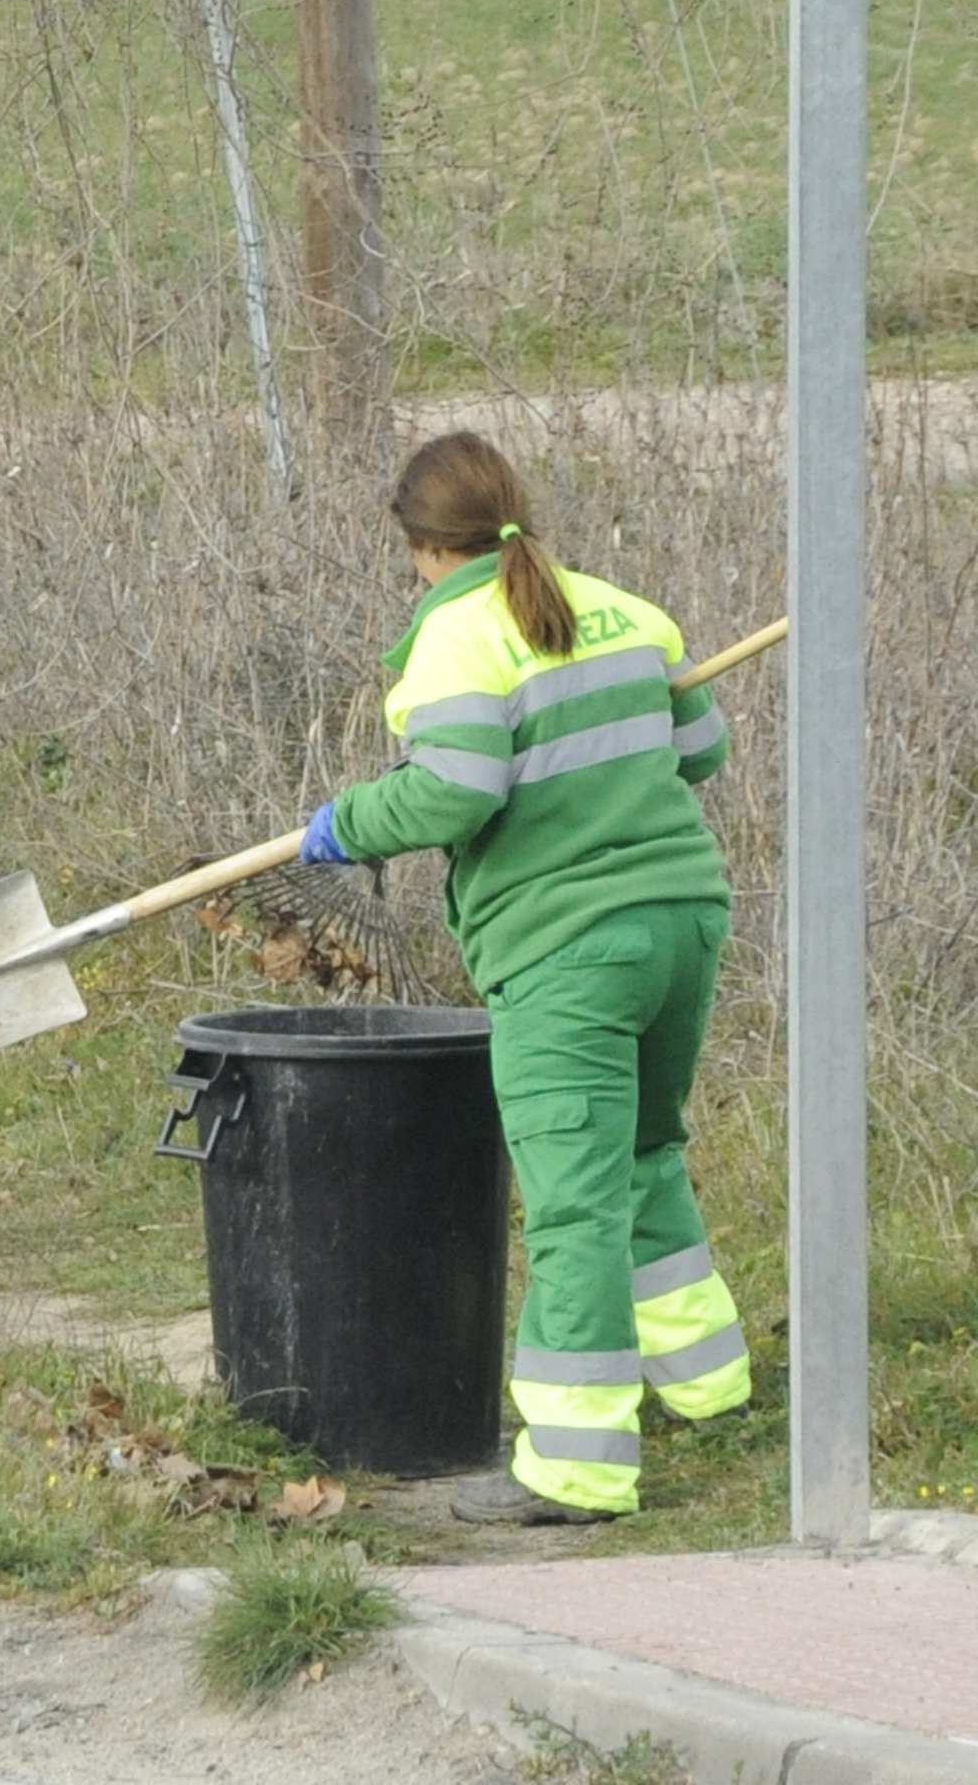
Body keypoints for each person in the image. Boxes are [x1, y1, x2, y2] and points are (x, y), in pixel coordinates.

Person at [301, 431, 751, 1525]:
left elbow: (452, 793)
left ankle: (581, 1467)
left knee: (572, 1203)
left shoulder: (454, 644)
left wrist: (347, 823)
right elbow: (703, 752)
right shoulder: (625, 611)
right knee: (646, 1153)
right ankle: (708, 1387)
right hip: (681, 921)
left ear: (417, 550)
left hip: (569, 952)